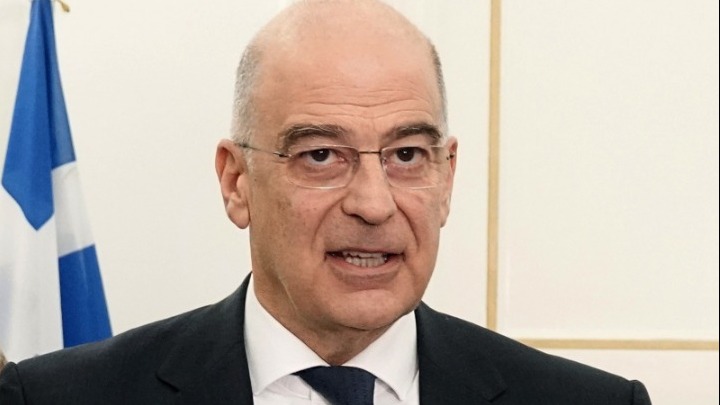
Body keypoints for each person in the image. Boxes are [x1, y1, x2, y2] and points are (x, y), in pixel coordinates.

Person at [0, 1, 652, 404]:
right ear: (236, 181)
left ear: (447, 177)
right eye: (320, 155)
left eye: (406, 155)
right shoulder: (58, 397)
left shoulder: (592, 402)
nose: (373, 203)